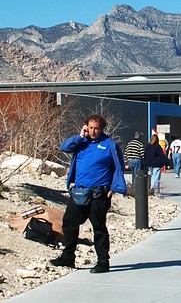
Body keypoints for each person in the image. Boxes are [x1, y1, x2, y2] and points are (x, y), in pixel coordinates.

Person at [50, 114, 127, 274]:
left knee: (99, 228)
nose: (93, 131)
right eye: (90, 127)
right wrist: (80, 136)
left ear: (102, 129)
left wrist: (115, 186)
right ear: (86, 127)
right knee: (69, 223)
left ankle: (103, 262)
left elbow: (118, 167)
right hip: (79, 192)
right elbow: (64, 147)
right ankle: (68, 257)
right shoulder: (81, 142)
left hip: (99, 194)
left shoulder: (109, 145)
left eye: (96, 128)